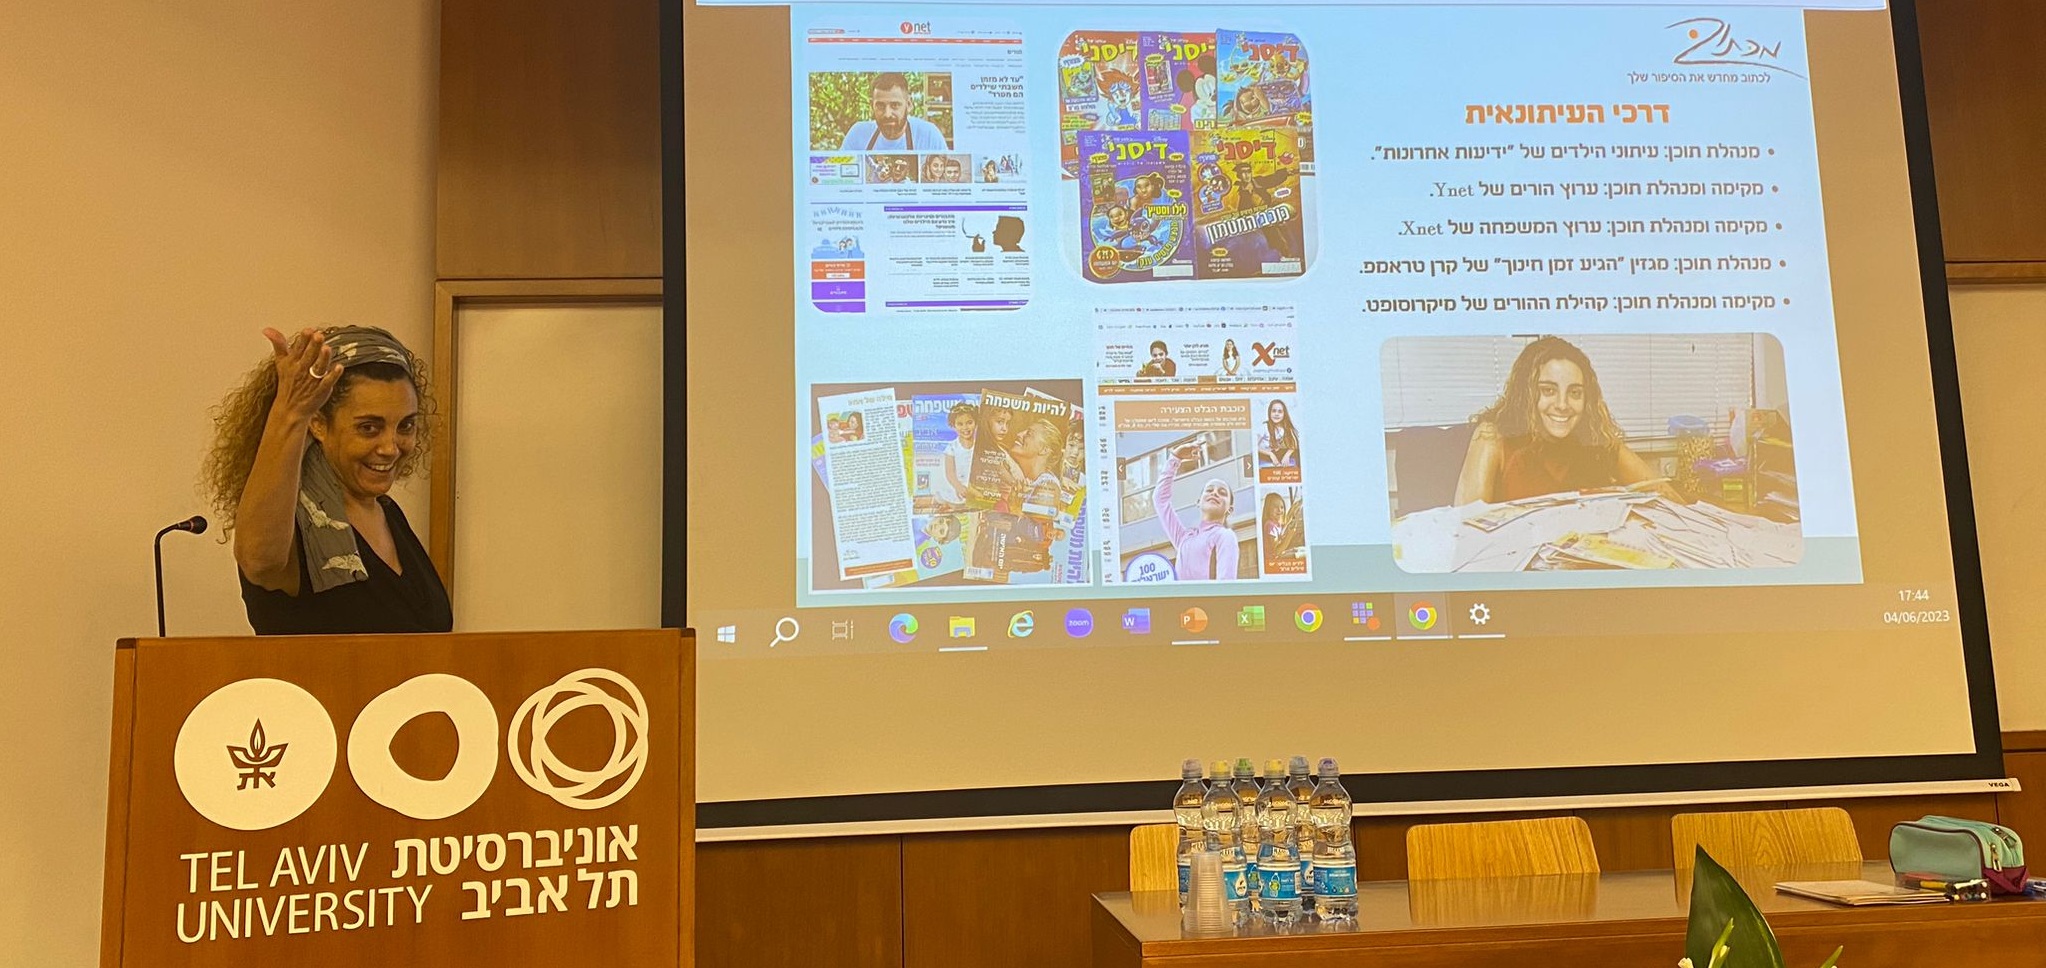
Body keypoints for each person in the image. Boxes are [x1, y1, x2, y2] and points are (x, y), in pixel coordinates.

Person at [201, 326, 450, 634]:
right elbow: (259, 562)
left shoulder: (389, 513)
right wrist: (291, 414)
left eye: (405, 426)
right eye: (369, 428)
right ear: (317, 424)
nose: (390, 447)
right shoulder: (292, 523)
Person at [1452, 335, 1664, 505]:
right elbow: (1466, 528)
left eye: (1575, 393)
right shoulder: (1491, 436)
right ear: (1525, 394)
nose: (1562, 405)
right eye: (1548, 390)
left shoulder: (1597, 438)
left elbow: (1667, 498)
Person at [1152, 443, 1238, 580]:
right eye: (1209, 490)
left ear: (1230, 509)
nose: (1214, 493)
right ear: (1198, 502)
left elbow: (1226, 584)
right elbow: (1160, 500)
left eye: (1222, 493)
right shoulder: (1184, 538)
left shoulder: (1225, 536)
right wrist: (1175, 458)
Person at [840, 72, 950, 151]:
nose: (887, 114)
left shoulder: (929, 135)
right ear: (871, 106)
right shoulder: (857, 134)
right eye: (880, 106)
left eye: (895, 105)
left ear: (909, 104)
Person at [932, 402, 976, 507]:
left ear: (976, 423)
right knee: (951, 501)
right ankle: (939, 502)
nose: (965, 427)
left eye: (969, 423)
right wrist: (958, 487)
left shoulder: (979, 446)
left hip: (973, 485)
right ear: (953, 426)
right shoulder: (952, 447)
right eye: (960, 424)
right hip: (957, 484)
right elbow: (950, 473)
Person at [1259, 399, 1299, 467]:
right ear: (1270, 413)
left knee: (1297, 452)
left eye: (1280, 412)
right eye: (1274, 411)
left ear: (1284, 414)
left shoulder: (1286, 428)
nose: (1276, 414)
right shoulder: (1264, 427)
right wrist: (1270, 454)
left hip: (1277, 453)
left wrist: (1287, 455)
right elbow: (1254, 446)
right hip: (1264, 454)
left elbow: (1294, 444)